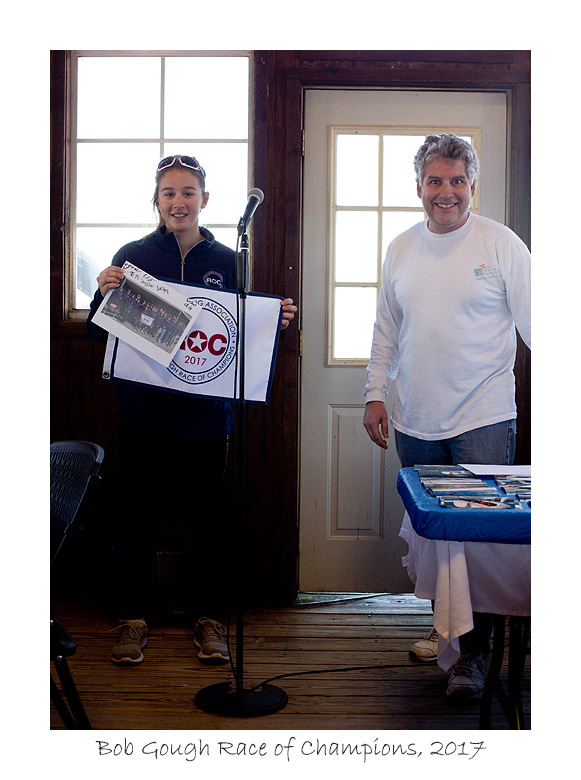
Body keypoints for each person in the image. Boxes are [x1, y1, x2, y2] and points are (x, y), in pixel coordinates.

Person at [86, 154, 297, 666]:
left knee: (208, 519)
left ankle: (209, 618)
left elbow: (242, 332)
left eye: (187, 192)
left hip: (206, 415)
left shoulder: (229, 259)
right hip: (142, 411)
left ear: (205, 199)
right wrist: (102, 293)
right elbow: (99, 331)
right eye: (169, 193)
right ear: (156, 201)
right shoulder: (131, 257)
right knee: (138, 515)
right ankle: (132, 618)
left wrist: (274, 321)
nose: (178, 202)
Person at [363, 134, 530, 699]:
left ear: (472, 185)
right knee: (434, 541)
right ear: (419, 187)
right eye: (435, 181)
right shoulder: (401, 248)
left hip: (484, 418)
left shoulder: (501, 244)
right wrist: (374, 393)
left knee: (479, 546)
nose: (446, 192)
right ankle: (447, 630)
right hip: (415, 418)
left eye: (457, 181)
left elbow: (542, 328)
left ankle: (472, 660)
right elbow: (387, 329)